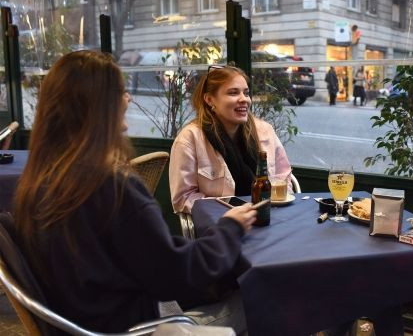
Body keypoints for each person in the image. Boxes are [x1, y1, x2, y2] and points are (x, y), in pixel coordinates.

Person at [12, 51, 256, 334]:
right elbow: (176, 274)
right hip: (134, 327)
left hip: (88, 317)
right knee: (262, 296)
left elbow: (147, 256)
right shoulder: (111, 187)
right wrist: (230, 228)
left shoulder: (41, 182)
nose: (128, 99)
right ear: (99, 105)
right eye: (121, 92)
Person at [169, 65, 292, 213]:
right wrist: (228, 210)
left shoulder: (265, 131)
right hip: (221, 227)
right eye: (233, 93)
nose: (244, 99)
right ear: (209, 99)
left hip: (269, 217)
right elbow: (182, 198)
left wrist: (278, 207)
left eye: (246, 93)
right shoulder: (189, 139)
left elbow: (283, 178)